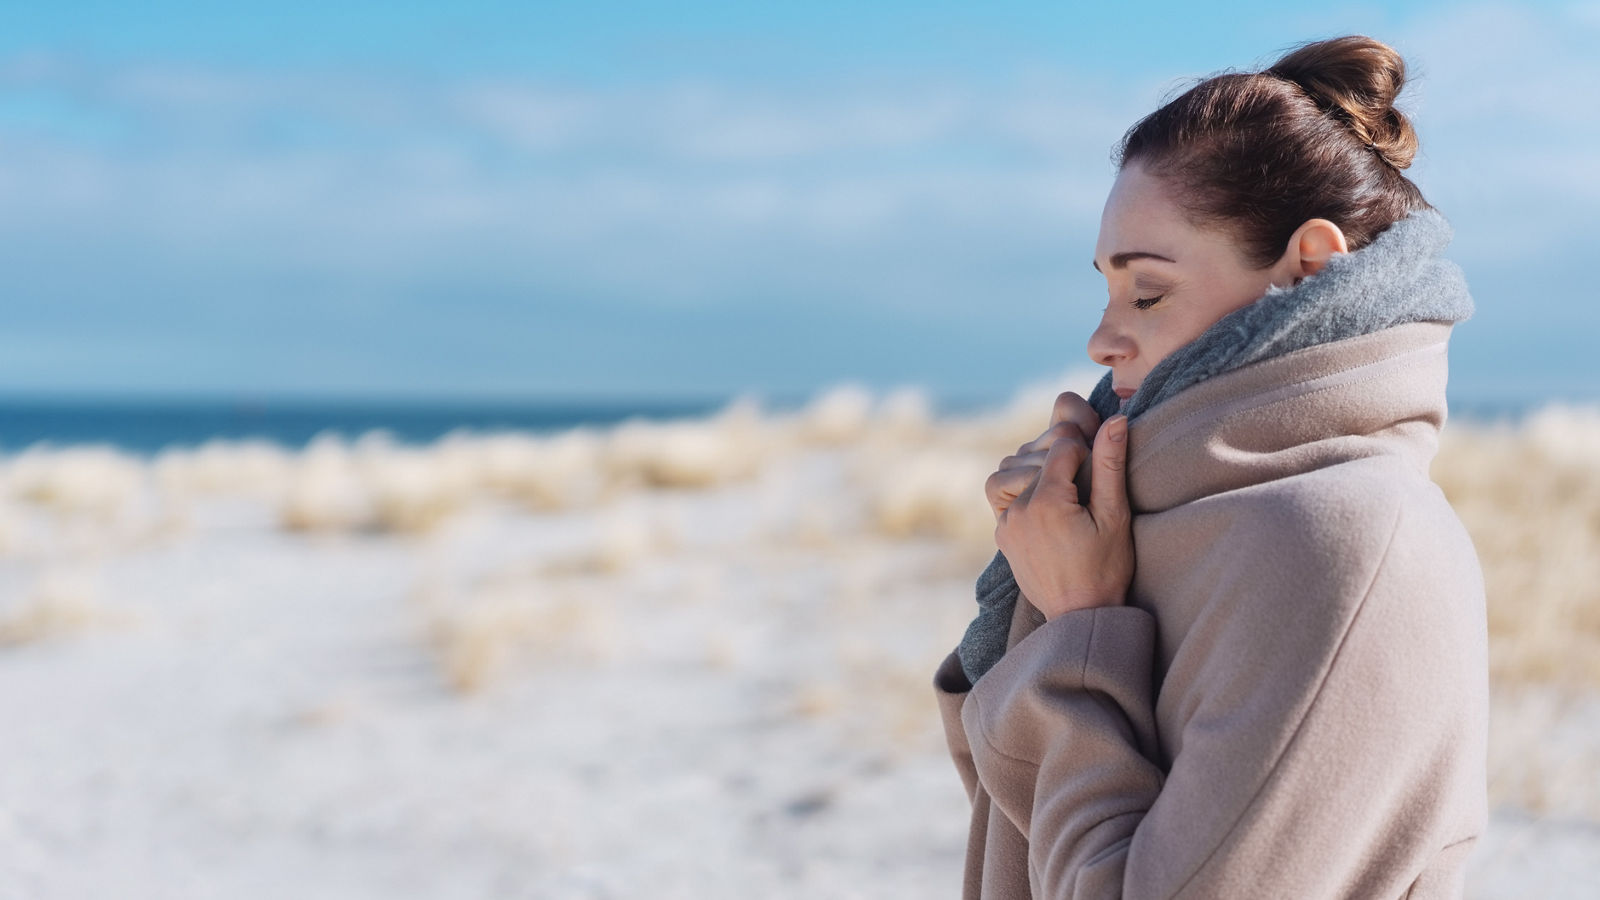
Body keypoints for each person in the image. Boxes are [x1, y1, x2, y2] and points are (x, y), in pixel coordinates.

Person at [932, 34, 1487, 899]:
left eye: (1146, 294)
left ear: (1308, 268)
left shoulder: (1348, 546)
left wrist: (1078, 627)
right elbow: (1024, 837)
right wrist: (1030, 584)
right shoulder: (1162, 511)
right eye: (1107, 291)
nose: (1102, 338)